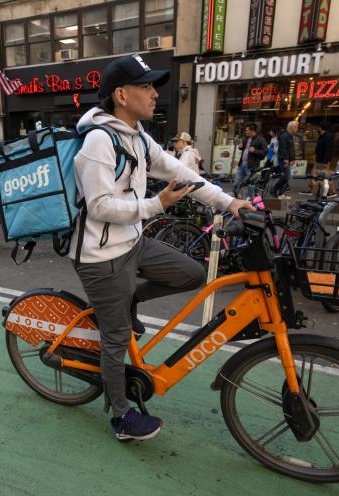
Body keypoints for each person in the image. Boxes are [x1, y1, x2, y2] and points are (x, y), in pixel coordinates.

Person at [71, 53, 253, 442]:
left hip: (132, 243)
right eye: (147, 86)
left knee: (192, 273)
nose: (155, 94)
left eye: (155, 86)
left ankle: (128, 300)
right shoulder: (98, 143)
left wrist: (230, 201)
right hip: (101, 258)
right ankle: (121, 417)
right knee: (116, 338)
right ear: (122, 94)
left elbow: (181, 172)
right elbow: (100, 207)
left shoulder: (137, 137)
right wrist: (158, 205)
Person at [232, 123, 267, 198]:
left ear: (252, 131)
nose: (245, 132)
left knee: (251, 185)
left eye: (247, 130)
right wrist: (240, 147)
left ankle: (249, 200)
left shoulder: (260, 139)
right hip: (242, 165)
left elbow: (264, 152)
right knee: (236, 183)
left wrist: (255, 151)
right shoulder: (246, 138)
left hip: (252, 166)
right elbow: (242, 147)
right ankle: (235, 197)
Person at [305, 122, 336, 197]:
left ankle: (331, 192)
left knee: (324, 177)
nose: (318, 129)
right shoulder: (323, 136)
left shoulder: (327, 136)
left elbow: (328, 149)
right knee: (314, 174)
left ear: (321, 127)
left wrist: (326, 161)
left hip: (323, 160)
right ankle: (309, 190)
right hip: (319, 159)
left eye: (318, 127)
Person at [272, 121, 298, 200]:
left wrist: (292, 159)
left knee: (286, 177)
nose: (297, 129)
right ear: (291, 127)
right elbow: (283, 148)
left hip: (287, 159)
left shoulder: (289, 135)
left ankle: (280, 193)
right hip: (284, 160)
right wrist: (286, 159)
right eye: (296, 127)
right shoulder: (285, 135)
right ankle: (274, 190)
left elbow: (290, 148)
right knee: (285, 177)